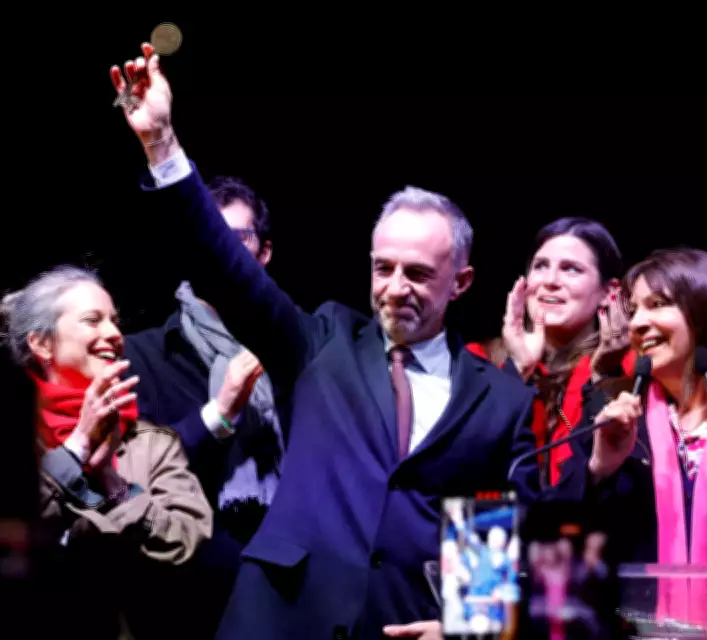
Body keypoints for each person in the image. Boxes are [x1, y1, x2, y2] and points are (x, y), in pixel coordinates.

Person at [109, 43, 588, 640]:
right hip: (280, 620)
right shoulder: (321, 342)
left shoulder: (501, 400)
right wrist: (162, 145)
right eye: (383, 268)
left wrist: (467, 628)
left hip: (403, 625)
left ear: (461, 282)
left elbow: (490, 533)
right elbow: (228, 270)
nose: (395, 288)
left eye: (418, 273)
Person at [565, 248, 707, 633]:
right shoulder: (610, 409)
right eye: (634, 309)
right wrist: (597, 472)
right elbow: (560, 537)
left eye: (657, 305)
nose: (637, 323)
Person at [0, 265, 213, 637]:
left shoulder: (152, 443)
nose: (114, 334)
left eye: (115, 322)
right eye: (92, 320)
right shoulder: (15, 435)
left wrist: (114, 485)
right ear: (42, 344)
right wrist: (76, 447)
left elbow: (186, 541)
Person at [123, 175, 282, 637]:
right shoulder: (142, 357)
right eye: (205, 235)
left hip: (290, 603)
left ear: (264, 253)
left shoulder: (297, 350)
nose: (218, 249)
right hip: (189, 609)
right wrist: (219, 413)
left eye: (236, 237)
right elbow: (130, 486)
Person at [468, 217, 635, 487]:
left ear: (609, 292)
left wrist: (605, 379)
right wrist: (517, 370)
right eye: (541, 266)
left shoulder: (629, 368)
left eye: (571, 269)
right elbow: (467, 462)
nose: (551, 281)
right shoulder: (477, 361)